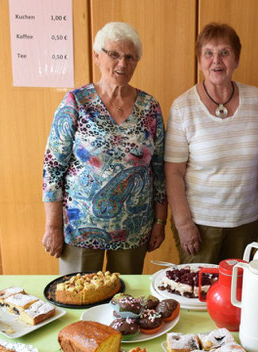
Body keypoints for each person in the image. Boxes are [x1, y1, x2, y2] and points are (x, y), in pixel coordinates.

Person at [41, 22, 167, 275]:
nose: (122, 64)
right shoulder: (76, 102)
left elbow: (159, 170)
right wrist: (53, 226)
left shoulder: (150, 107)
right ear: (97, 56)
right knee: (78, 299)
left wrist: (160, 221)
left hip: (134, 227)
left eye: (130, 57)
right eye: (114, 54)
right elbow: (53, 168)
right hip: (80, 228)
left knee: (126, 305)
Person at [165, 23, 258, 264]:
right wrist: (183, 224)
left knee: (239, 293)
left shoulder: (256, 99)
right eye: (209, 53)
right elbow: (173, 172)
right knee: (197, 294)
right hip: (200, 225)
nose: (217, 61)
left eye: (225, 52)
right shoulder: (183, 107)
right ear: (199, 60)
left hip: (246, 221)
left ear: (236, 59)